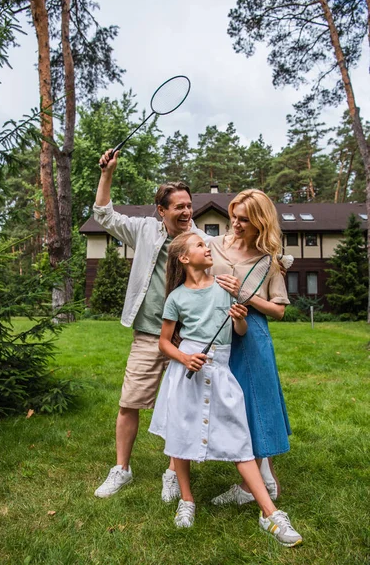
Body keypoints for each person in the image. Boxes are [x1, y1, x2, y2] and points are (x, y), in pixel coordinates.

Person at [149, 232, 302, 547]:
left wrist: (241, 319)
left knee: (239, 439)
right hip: (185, 372)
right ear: (183, 258)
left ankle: (269, 514)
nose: (208, 248)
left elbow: (239, 331)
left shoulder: (224, 285)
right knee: (181, 437)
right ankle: (186, 500)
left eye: (207, 245)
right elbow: (164, 341)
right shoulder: (175, 297)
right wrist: (183, 357)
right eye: (200, 245)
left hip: (221, 371)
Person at [92, 149, 207, 501]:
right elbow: (102, 214)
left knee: (179, 406)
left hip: (186, 337)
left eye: (189, 205)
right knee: (130, 402)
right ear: (161, 210)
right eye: (179, 207)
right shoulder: (143, 230)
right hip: (147, 334)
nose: (187, 212)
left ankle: (173, 472)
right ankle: (121, 469)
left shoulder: (199, 239)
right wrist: (107, 173)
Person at [207, 189, 292, 507]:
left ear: (260, 223)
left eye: (245, 220)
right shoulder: (213, 246)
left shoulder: (268, 261)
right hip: (213, 332)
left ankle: (253, 485)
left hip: (252, 337)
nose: (236, 224)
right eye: (234, 216)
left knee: (255, 406)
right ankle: (260, 478)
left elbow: (279, 311)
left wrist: (244, 293)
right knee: (224, 408)